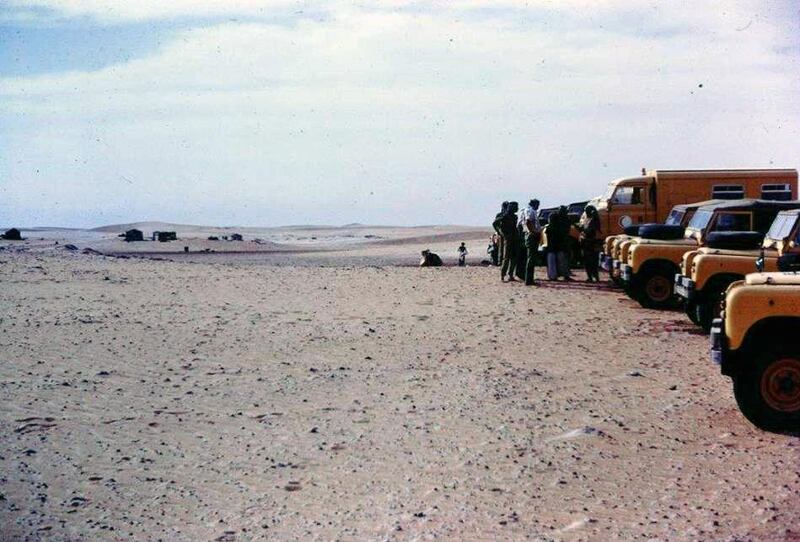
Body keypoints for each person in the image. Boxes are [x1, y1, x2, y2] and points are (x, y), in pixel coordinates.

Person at [578, 205, 601, 282]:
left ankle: (595, 277)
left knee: (592, 261)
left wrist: (582, 230)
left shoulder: (593, 220)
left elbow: (588, 231)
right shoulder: (587, 219)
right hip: (585, 243)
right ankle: (590, 277)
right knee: (587, 261)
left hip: (590, 243)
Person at [498, 201, 520, 281]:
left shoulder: (515, 217)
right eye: (515, 207)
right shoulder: (505, 216)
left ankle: (511, 275)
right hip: (508, 239)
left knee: (514, 257)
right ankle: (503, 275)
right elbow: (496, 224)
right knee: (506, 257)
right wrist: (503, 234)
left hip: (514, 238)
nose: (517, 208)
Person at [523, 199, 541, 285]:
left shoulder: (531, 210)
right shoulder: (530, 211)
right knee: (531, 258)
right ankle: (529, 280)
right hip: (532, 236)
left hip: (532, 235)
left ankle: (530, 279)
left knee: (531, 258)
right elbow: (528, 221)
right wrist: (533, 232)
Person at [492, 202, 509, 268]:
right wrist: (499, 231)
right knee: (501, 248)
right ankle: (500, 262)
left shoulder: (508, 214)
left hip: (508, 234)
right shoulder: (500, 215)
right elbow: (495, 224)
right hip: (502, 233)